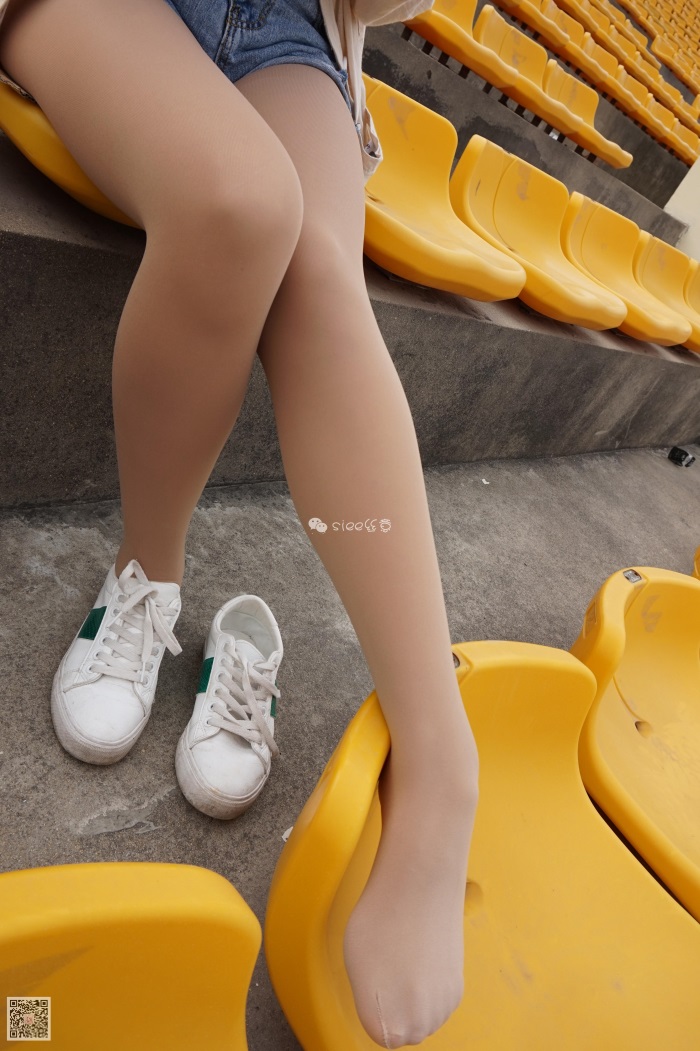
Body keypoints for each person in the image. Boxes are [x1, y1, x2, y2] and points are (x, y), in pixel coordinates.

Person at [0, 0, 479, 1046]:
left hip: (296, 27)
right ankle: (146, 577)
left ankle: (443, 767)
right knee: (241, 202)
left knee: (321, 275)